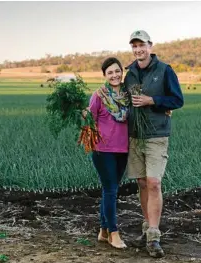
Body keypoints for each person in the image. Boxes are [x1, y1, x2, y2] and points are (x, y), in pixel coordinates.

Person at [124, 30, 184, 258]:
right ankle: (147, 227)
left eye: (142, 45)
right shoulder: (129, 74)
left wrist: (153, 101)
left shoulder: (165, 70)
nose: (138, 49)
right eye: (134, 46)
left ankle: (154, 234)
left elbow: (177, 99)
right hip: (135, 135)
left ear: (150, 45)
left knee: (154, 182)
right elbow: (122, 100)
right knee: (141, 182)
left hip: (157, 135)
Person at [84, 57, 130, 249]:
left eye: (117, 71)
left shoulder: (129, 95)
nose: (114, 75)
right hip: (103, 150)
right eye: (110, 72)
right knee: (111, 190)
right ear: (104, 75)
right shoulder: (99, 95)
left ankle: (103, 231)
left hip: (124, 149)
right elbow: (88, 120)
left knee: (110, 190)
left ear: (122, 72)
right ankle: (113, 233)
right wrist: (83, 115)